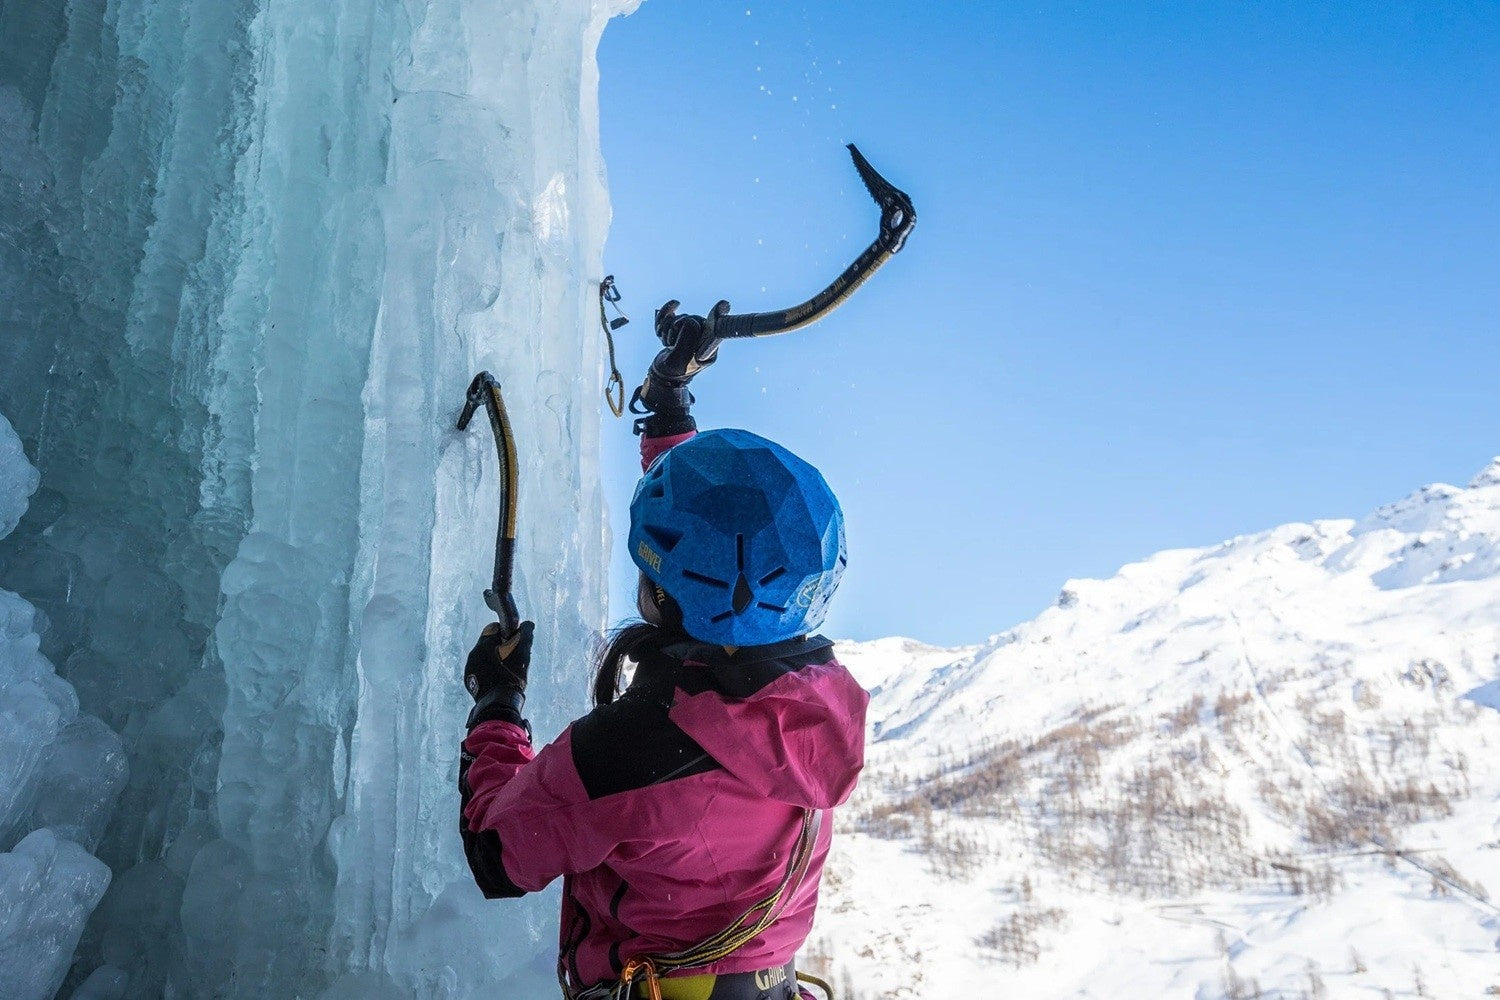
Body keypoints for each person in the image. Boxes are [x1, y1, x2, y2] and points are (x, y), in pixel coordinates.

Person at [458, 309, 868, 1000]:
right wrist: (668, 401)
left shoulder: (633, 751)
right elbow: (724, 546)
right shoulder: (813, 710)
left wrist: (496, 707)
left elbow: (499, 855)